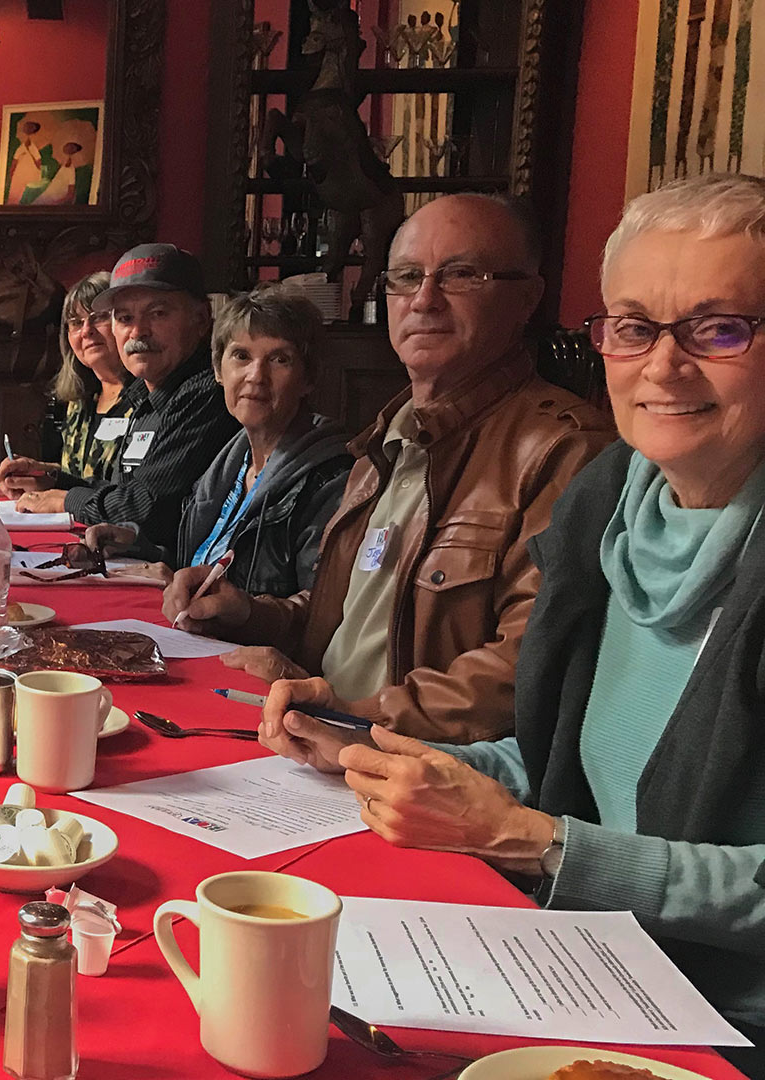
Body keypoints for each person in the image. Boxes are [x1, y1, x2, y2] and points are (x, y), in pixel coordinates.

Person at [254, 173, 765, 1074]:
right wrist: (390, 754)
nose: (664, 367)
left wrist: (530, 840)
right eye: (636, 327)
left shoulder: (569, 460)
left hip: (718, 1018)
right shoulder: (611, 504)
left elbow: (556, 824)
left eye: (719, 328)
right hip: (583, 961)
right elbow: (561, 761)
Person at [164, 193, 614, 743]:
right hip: (318, 742)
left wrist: (360, 713)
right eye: (405, 277)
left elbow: (527, 667)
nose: (424, 299)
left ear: (527, 297)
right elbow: (349, 618)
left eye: (461, 274)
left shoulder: (566, 449)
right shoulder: (387, 438)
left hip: (416, 771)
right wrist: (249, 613)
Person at [97, 285, 351, 597]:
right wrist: (137, 546)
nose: (256, 376)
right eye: (241, 356)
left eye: (279, 359)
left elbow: (319, 611)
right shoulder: (229, 463)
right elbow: (211, 562)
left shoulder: (332, 481)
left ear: (308, 379)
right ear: (218, 370)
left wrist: (244, 612)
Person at [0, 243, 241, 563]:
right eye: (125, 317)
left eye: (158, 313)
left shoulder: (206, 393)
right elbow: (119, 489)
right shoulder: (145, 394)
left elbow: (144, 508)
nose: (138, 331)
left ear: (201, 319)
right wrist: (56, 481)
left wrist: (67, 499)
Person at [50, 270, 136, 484]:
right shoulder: (77, 401)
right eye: (76, 322)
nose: (86, 330)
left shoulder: (147, 398)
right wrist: (42, 474)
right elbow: (77, 478)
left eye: (98, 317)